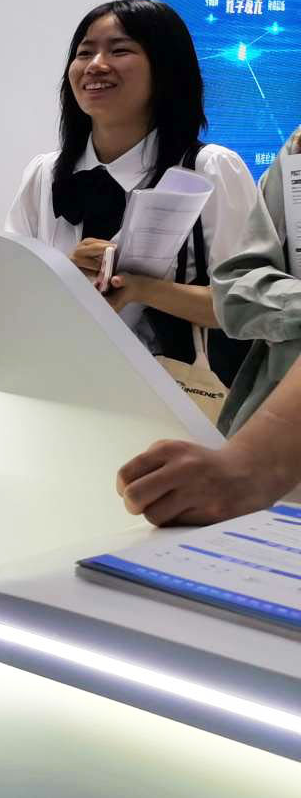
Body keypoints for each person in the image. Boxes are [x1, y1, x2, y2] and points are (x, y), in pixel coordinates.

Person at [3, 0, 259, 366]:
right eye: (84, 52)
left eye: (119, 50)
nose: (95, 65)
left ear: (166, 68)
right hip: (56, 375)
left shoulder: (210, 169)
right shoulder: (45, 173)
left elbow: (248, 305)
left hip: (173, 390)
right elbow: (12, 292)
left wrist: (141, 288)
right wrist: (65, 274)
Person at [116, 122, 301, 526]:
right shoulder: (296, 149)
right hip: (264, 433)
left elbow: (227, 299)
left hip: (264, 451)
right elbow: (237, 286)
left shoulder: (214, 164)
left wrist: (248, 464)